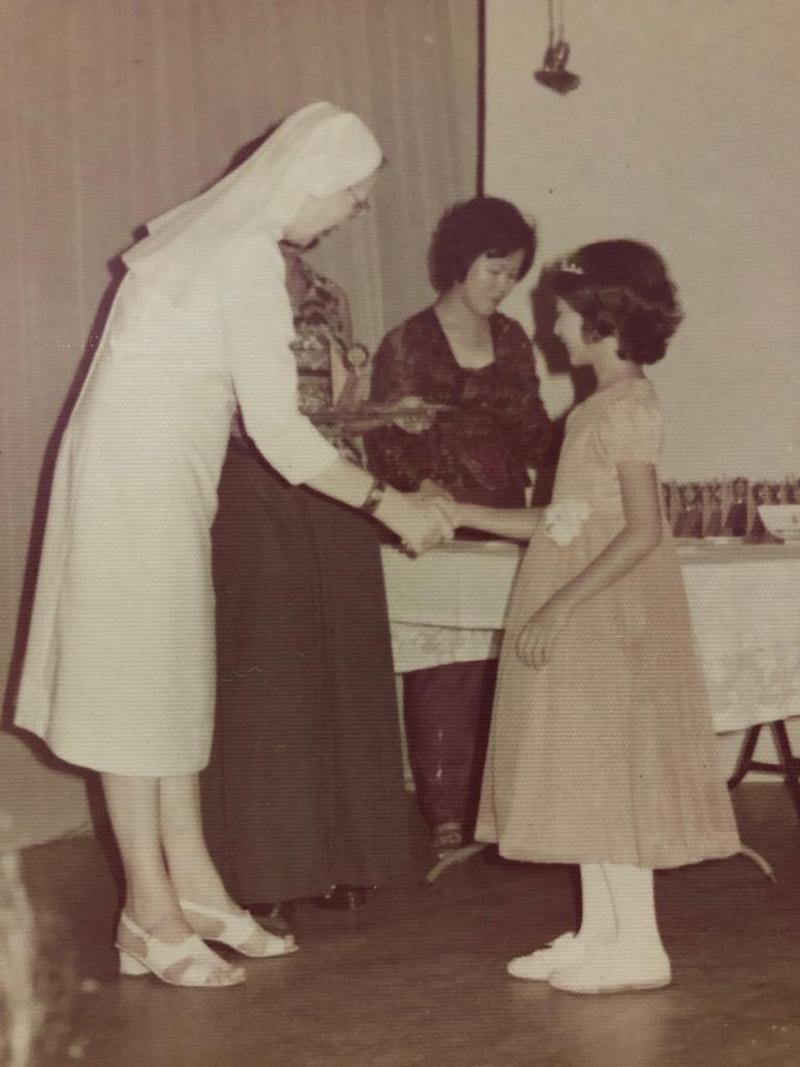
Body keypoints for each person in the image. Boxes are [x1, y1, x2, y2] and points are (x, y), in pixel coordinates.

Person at [12, 102, 453, 989]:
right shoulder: (244, 259)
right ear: (311, 184)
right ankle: (150, 909)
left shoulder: (216, 248)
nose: (349, 217)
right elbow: (284, 437)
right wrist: (392, 506)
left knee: (173, 680)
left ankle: (199, 888)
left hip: (157, 482)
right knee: (137, 695)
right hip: (133, 487)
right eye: (352, 200)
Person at [451, 240, 740, 994]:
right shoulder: (592, 407)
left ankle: (641, 944)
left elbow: (644, 529)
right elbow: (564, 519)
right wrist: (460, 512)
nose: (553, 330)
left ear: (605, 322)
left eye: (564, 316)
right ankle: (600, 930)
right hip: (584, 604)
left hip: (610, 611)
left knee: (613, 775)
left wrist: (559, 603)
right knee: (587, 769)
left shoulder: (632, 407)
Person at [202, 239, 409, 918]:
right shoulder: (229, 278)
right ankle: (267, 873)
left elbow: (342, 402)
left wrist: (375, 405)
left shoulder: (330, 293)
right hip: (253, 481)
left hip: (333, 482)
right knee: (268, 677)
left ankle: (348, 860)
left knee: (346, 670)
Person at [365, 197, 557, 856]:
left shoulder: (512, 339)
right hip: (438, 525)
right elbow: (384, 449)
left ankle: (493, 801)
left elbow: (532, 426)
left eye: (513, 275)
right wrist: (423, 483)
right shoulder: (407, 342)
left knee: (503, 660)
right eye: (494, 269)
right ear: (461, 259)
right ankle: (444, 809)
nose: (504, 286)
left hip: (503, 515)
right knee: (442, 662)